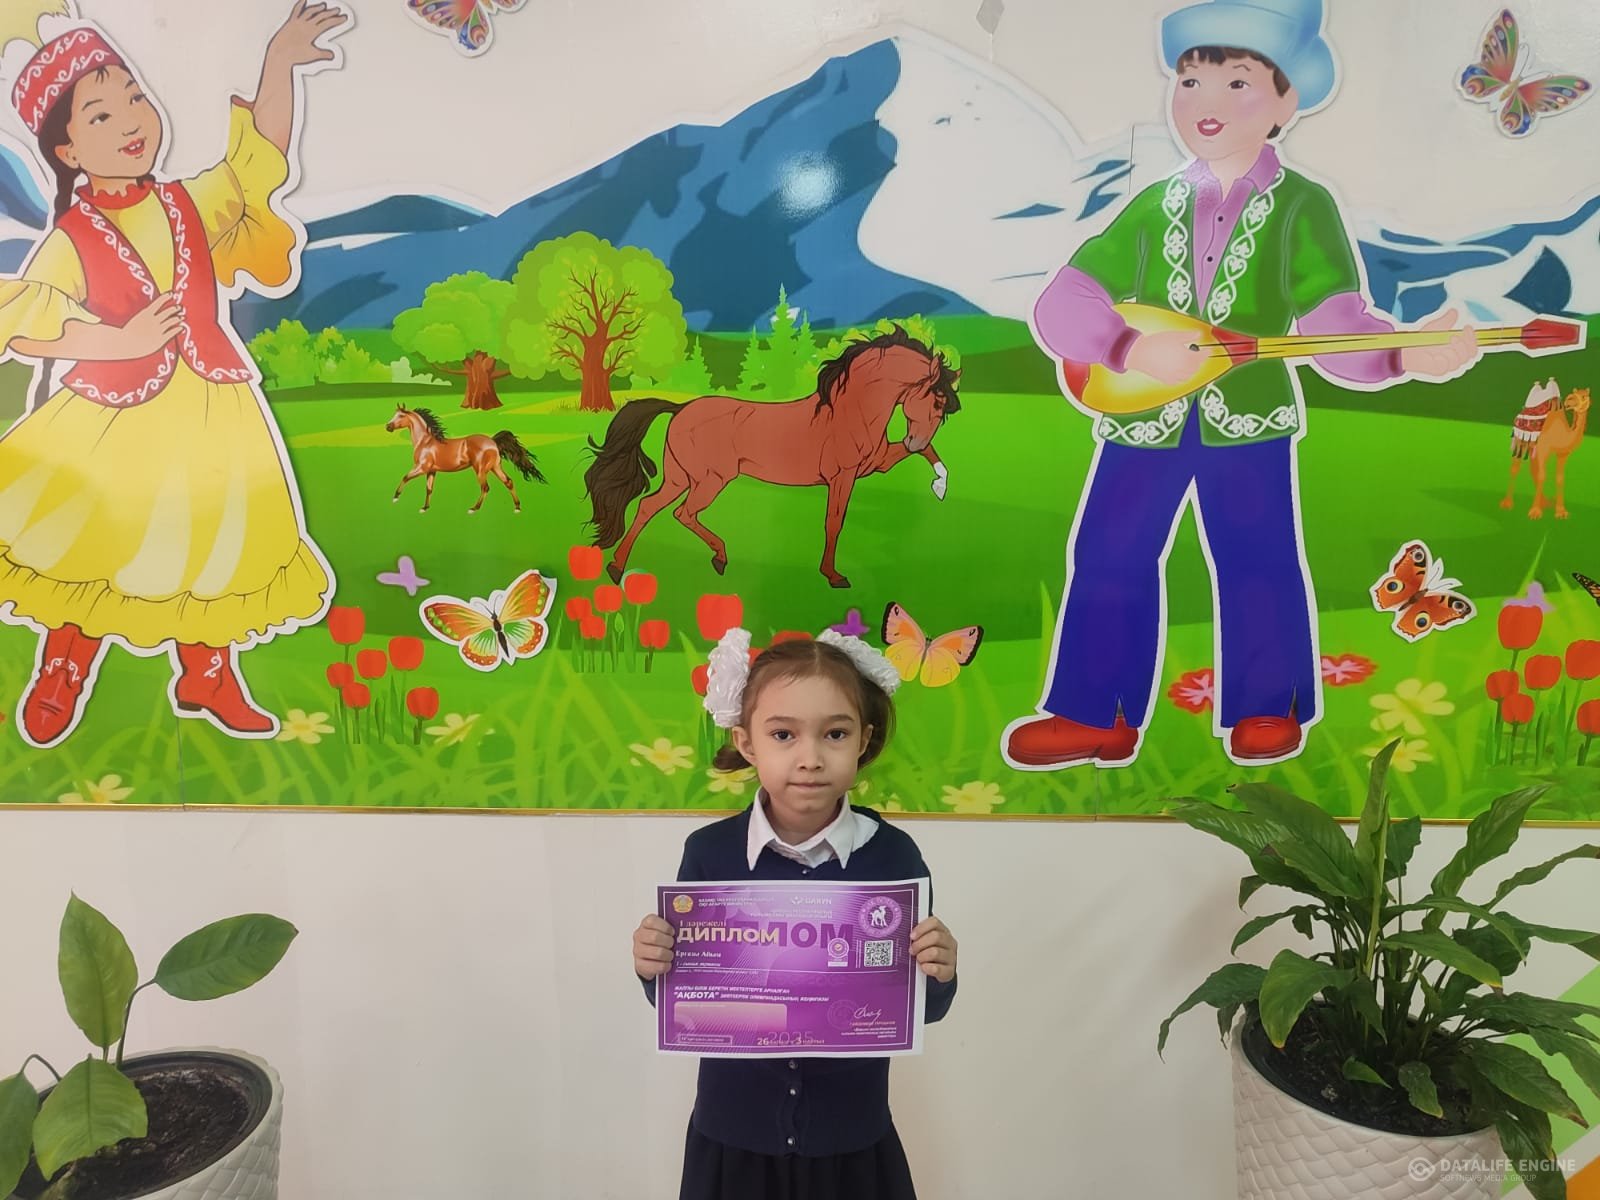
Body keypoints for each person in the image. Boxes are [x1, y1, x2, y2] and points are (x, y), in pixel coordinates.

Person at [1002, 0, 1479, 771]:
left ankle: (1265, 705)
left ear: (1287, 102)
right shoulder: (1153, 207)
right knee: (1108, 554)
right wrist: (1129, 346)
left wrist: (1401, 355)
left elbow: (1332, 322)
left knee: (1257, 558)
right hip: (1141, 419)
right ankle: (1094, 713)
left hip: (1249, 418)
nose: (1207, 101)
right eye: (1191, 80)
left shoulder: (1302, 207)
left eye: (1237, 82)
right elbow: (1064, 300)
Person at [0, 1, 345, 747]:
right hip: (114, 419)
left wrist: (279, 64)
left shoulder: (189, 200)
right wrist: (115, 340)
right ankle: (63, 665)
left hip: (211, 406)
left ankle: (207, 672)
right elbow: (29, 322)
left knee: (213, 539)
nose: (131, 120)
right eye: (101, 115)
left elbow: (258, 163)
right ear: (67, 150)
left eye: (134, 97)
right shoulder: (72, 236)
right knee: (92, 540)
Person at [632, 629, 958, 1200]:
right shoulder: (709, 854)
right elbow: (686, 1005)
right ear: (747, 743)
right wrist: (653, 966)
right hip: (734, 1137)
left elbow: (921, 1009)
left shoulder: (893, 856)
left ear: (863, 739)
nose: (810, 758)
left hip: (850, 1139)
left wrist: (940, 971)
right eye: (783, 734)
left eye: (835, 733)